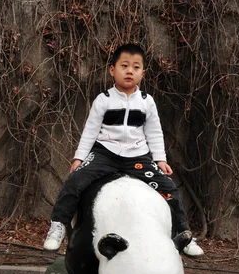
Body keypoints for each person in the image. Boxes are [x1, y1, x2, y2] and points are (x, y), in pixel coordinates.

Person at [43, 43, 204, 258]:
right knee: (75, 181)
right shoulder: (104, 100)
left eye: (136, 67)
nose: (130, 71)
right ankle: (58, 225)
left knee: (168, 188)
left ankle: (183, 235)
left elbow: (154, 132)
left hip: (137, 157)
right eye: (124, 66)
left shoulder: (147, 102)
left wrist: (160, 159)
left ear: (142, 73)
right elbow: (90, 131)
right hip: (105, 154)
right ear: (112, 70)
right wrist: (79, 158)